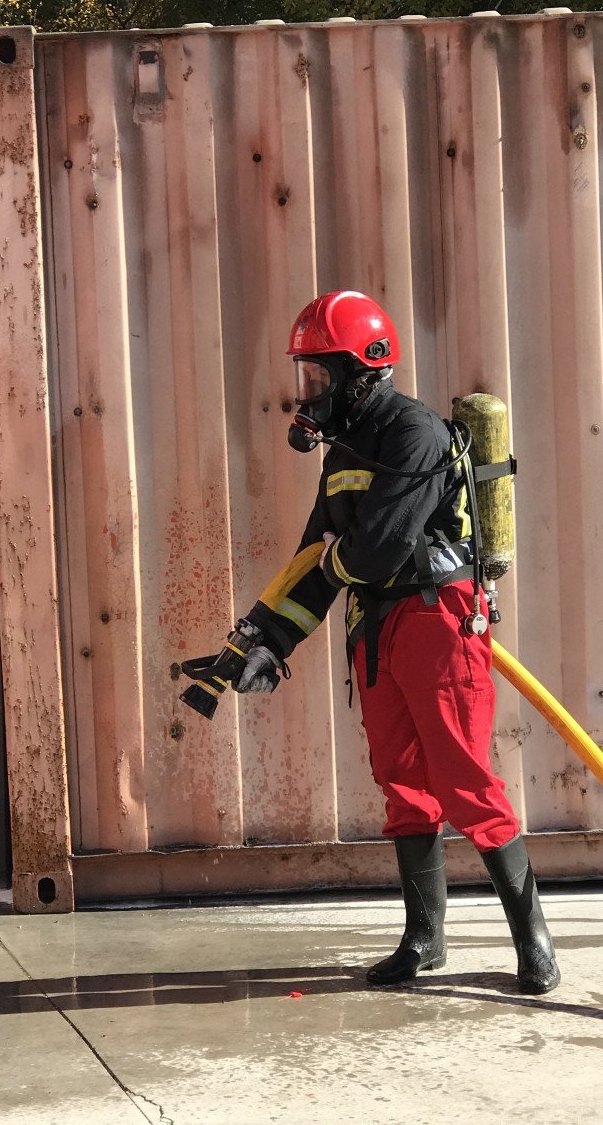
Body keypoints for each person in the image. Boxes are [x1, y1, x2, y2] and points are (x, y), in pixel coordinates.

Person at [235, 289, 560, 995]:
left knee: (466, 782)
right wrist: (270, 641)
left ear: (364, 370)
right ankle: (424, 939)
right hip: (375, 631)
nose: (310, 393)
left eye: (320, 377)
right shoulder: (345, 450)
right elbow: (314, 555)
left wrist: (332, 561)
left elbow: (376, 549)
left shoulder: (416, 432)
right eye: (306, 378)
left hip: (440, 623)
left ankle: (534, 942)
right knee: (403, 786)